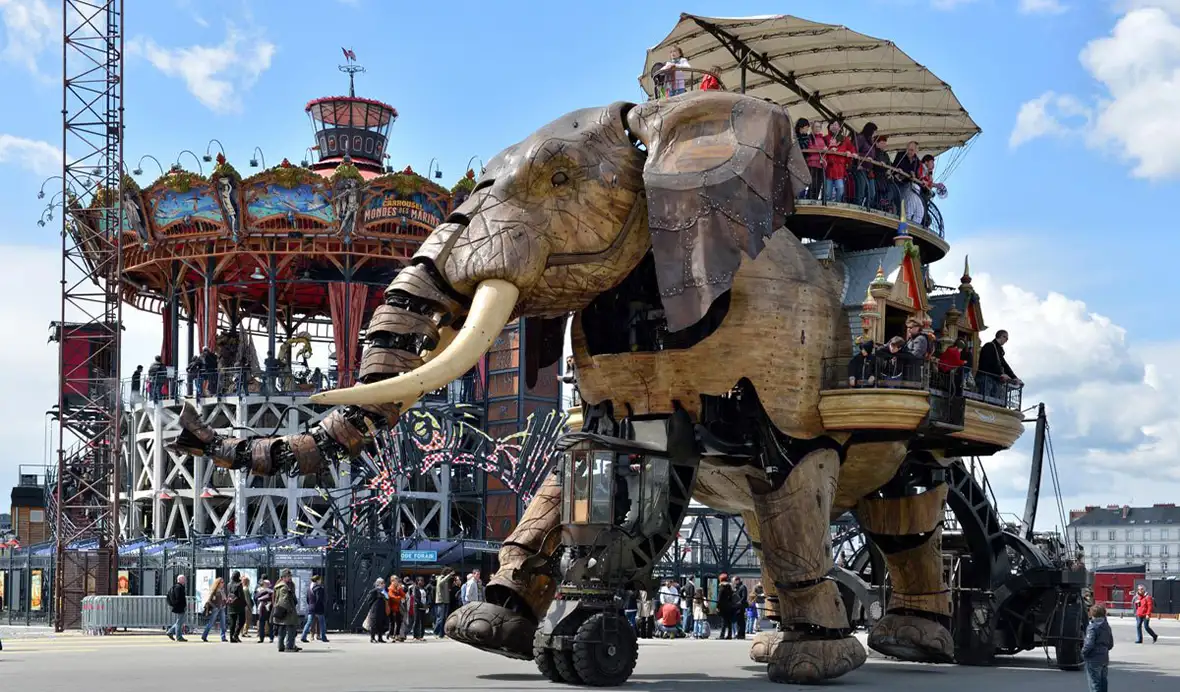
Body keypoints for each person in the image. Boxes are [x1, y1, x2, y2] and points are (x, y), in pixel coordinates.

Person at [977, 330, 1021, 403]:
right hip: (986, 378)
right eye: (1006, 338)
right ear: (1001, 336)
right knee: (985, 402)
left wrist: (1014, 377)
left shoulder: (998, 349)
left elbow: (1004, 364)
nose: (1006, 341)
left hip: (993, 380)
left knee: (994, 402)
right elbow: (990, 362)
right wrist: (1001, 374)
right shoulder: (989, 346)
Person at [1082, 604, 1114, 692]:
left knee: (1095, 683)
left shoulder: (1092, 627)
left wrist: (1083, 653)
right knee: (1103, 682)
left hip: (1093, 657)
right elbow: (1110, 644)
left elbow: (1089, 644)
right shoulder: (1107, 627)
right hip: (1104, 657)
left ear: (1092, 614)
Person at [823, 122, 855, 203]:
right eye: (832, 124)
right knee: (827, 193)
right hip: (829, 168)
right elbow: (822, 149)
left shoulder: (845, 139)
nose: (834, 126)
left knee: (840, 189)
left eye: (836, 125)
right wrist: (828, 150)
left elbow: (851, 149)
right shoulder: (826, 138)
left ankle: (837, 203)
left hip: (840, 168)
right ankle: (827, 208)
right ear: (829, 127)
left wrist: (850, 153)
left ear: (840, 127)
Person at [272, 569, 301, 652]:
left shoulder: (279, 586)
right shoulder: (284, 587)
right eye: (288, 576)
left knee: (282, 629)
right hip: (287, 612)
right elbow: (284, 600)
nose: (290, 578)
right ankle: (289, 646)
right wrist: (289, 609)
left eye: (290, 576)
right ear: (283, 577)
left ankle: (281, 646)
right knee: (291, 628)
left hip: (280, 611)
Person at [854, 122, 880, 208]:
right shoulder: (860, 138)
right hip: (860, 168)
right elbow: (855, 152)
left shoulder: (871, 141)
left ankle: (866, 208)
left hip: (869, 171)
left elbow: (873, 155)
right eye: (875, 131)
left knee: (872, 193)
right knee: (861, 191)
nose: (875, 133)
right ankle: (857, 208)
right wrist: (864, 157)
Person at [301, 575, 329, 643]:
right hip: (318, 608)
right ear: (317, 580)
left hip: (311, 607)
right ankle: (323, 637)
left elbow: (307, 599)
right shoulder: (319, 588)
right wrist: (320, 606)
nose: (321, 581)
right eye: (319, 580)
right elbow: (319, 599)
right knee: (322, 623)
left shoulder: (309, 588)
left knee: (309, 622)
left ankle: (303, 636)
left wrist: (311, 605)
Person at [201, 576, 228, 642]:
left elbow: (224, 600)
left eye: (223, 582)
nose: (223, 583)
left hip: (222, 608)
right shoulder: (214, 591)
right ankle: (204, 636)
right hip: (216, 608)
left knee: (223, 623)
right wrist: (215, 606)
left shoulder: (223, 591)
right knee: (211, 623)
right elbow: (209, 600)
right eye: (222, 582)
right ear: (218, 583)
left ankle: (223, 637)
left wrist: (226, 601)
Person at [165, 574, 189, 641]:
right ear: (180, 579)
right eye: (183, 579)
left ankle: (170, 632)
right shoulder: (178, 587)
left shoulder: (178, 586)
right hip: (180, 607)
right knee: (179, 622)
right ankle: (178, 636)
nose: (185, 580)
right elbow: (179, 598)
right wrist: (182, 606)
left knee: (180, 621)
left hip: (179, 607)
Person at [795, 118, 815, 199]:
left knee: (802, 181)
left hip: (803, 162)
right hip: (795, 162)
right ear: (802, 127)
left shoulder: (807, 137)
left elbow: (805, 147)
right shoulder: (793, 136)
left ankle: (800, 198)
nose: (807, 129)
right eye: (807, 127)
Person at [365, 578, 389, 643]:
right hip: (375, 609)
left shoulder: (385, 591)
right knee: (374, 624)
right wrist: (372, 607)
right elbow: (369, 600)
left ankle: (380, 638)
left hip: (383, 609)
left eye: (383, 583)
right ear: (377, 583)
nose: (383, 584)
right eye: (381, 583)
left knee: (381, 624)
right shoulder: (374, 591)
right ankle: (372, 638)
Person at [226, 571, 247, 643]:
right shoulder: (239, 584)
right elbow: (241, 596)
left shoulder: (228, 584)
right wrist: (245, 603)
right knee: (242, 620)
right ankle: (235, 634)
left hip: (231, 605)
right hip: (239, 605)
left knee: (233, 622)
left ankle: (231, 638)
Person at [433, 569, 453, 638]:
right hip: (441, 601)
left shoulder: (446, 580)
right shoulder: (440, 578)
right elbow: (440, 583)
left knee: (444, 618)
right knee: (440, 618)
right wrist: (448, 576)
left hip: (446, 601)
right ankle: (436, 632)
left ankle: (442, 634)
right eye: (449, 573)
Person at [387, 576, 406, 642]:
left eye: (397, 580)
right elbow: (392, 597)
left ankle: (397, 634)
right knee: (392, 622)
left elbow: (404, 595)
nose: (397, 581)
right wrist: (400, 598)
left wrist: (400, 589)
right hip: (392, 608)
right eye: (396, 580)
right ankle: (390, 635)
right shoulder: (390, 588)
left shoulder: (398, 588)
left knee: (399, 622)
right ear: (392, 581)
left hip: (397, 608)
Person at [254, 578, 274, 643]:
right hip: (262, 608)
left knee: (270, 623)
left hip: (268, 608)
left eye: (268, 584)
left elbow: (272, 598)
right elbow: (256, 598)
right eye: (266, 584)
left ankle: (271, 638)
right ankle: (261, 638)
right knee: (262, 624)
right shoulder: (260, 590)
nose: (267, 585)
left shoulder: (270, 591)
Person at [717, 574, 735, 640]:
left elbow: (719, 598)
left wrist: (717, 606)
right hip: (729, 606)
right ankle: (729, 635)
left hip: (723, 606)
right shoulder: (729, 587)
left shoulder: (722, 587)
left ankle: (722, 635)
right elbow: (731, 597)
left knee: (723, 621)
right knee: (729, 621)